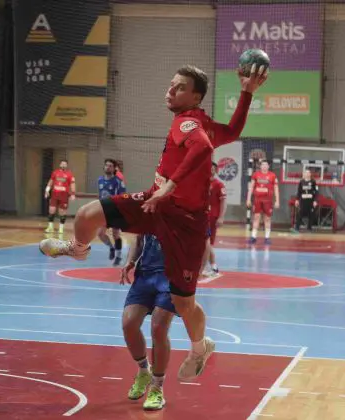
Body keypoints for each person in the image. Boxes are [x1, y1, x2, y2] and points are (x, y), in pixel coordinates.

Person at [40, 64, 267, 381]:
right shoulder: (199, 122)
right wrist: (246, 93)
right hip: (155, 204)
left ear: (196, 97)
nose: (170, 90)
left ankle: (200, 348)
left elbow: (202, 147)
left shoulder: (188, 123)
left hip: (185, 224)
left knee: (184, 304)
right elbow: (232, 131)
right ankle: (78, 248)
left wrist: (169, 186)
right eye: (171, 84)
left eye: (180, 87)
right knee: (87, 214)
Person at [121, 234, 177, 411]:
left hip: (171, 277)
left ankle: (157, 387)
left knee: (158, 329)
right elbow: (138, 239)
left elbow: (201, 243)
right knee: (129, 324)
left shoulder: (186, 216)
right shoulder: (145, 215)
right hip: (144, 276)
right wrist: (130, 261)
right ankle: (144, 370)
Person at [97, 159, 126, 265]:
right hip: (104, 211)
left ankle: (118, 256)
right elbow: (100, 195)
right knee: (100, 234)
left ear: (114, 169)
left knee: (115, 234)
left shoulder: (118, 181)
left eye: (110, 166)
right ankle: (111, 247)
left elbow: (123, 196)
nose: (108, 167)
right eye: (106, 165)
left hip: (115, 211)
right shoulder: (100, 180)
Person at [247, 160, 279, 245]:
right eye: (263, 165)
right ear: (260, 166)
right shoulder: (255, 174)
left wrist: (277, 200)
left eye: (266, 165)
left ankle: (267, 238)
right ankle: (253, 237)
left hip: (268, 201)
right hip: (257, 200)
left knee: (267, 218)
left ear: (268, 166)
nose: (264, 166)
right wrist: (248, 199)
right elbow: (251, 187)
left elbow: (276, 188)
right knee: (256, 217)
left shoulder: (273, 175)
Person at [202, 162, 227, 275]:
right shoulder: (201, 182)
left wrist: (221, 217)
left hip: (212, 217)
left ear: (216, 170)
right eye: (209, 168)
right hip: (201, 216)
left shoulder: (219, 185)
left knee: (208, 242)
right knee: (204, 242)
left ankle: (211, 266)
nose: (211, 170)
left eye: (213, 168)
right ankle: (211, 266)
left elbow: (223, 202)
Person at [44, 159, 76, 235]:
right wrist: (47, 190)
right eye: (62, 164)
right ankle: (50, 227)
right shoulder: (55, 173)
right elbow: (50, 182)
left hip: (64, 196)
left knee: (62, 212)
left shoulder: (69, 174)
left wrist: (73, 194)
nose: (63, 165)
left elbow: (72, 184)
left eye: (65, 164)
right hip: (54, 195)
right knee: (51, 210)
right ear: (60, 165)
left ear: (67, 165)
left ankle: (61, 229)